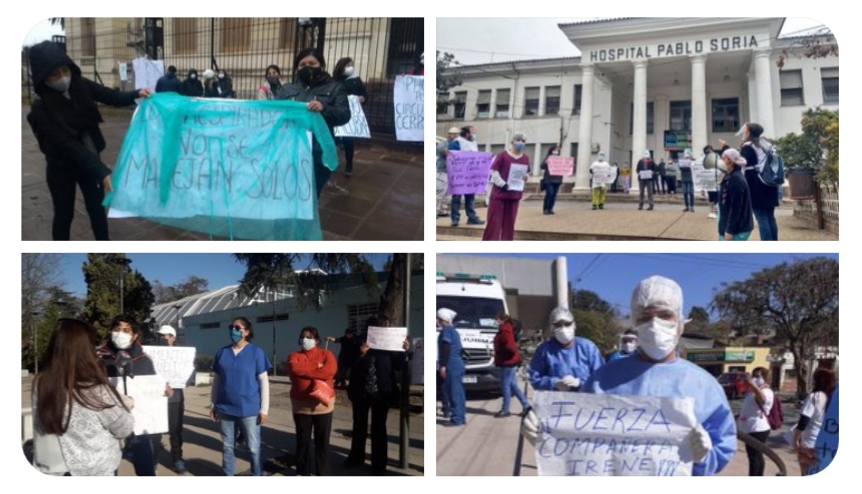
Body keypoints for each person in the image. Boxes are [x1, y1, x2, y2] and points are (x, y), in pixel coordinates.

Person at [582, 276, 737, 476]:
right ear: (634, 323)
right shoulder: (602, 380)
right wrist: (552, 439)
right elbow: (579, 439)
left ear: (680, 322)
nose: (655, 325)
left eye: (665, 315)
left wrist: (704, 458)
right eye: (645, 317)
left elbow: (722, 447)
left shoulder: (704, 386)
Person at [26, 40, 151, 241]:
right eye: (54, 75)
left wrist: (136, 94)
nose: (62, 78)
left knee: (96, 210)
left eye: (65, 71)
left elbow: (110, 96)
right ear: (43, 78)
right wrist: (101, 171)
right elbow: (68, 144)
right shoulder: (41, 109)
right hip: (61, 167)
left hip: (90, 164)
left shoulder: (80, 84)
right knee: (64, 214)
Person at [33, 319, 134, 476]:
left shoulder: (40, 382)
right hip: (93, 471)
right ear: (84, 349)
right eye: (92, 345)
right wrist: (125, 405)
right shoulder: (94, 389)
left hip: (50, 467)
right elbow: (123, 428)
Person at [97, 315, 173, 476]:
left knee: (145, 468)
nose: (120, 334)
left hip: (140, 424)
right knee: (109, 470)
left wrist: (166, 392)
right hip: (108, 426)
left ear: (135, 335)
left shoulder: (144, 360)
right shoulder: (99, 359)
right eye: (117, 330)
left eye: (126, 330)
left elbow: (155, 390)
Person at [277, 48, 351, 198]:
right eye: (302, 64)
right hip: (288, 151)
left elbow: (344, 115)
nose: (307, 67)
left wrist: (324, 109)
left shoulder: (335, 87)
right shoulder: (287, 89)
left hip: (318, 154)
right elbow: (272, 113)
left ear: (321, 65)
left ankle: (305, 221)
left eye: (312, 63)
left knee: (309, 197)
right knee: (286, 194)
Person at [345, 317, 410, 474]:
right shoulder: (358, 341)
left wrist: (404, 350)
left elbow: (398, 366)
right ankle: (356, 457)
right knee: (359, 426)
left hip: (382, 392)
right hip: (360, 391)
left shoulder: (391, 343)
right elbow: (347, 361)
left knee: (379, 428)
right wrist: (360, 354)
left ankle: (379, 463)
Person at [210, 317, 272, 476]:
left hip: (249, 410)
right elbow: (217, 381)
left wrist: (264, 410)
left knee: (253, 448)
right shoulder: (222, 353)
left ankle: (256, 474)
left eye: (237, 328)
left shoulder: (256, 353)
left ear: (247, 332)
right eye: (231, 327)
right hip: (225, 409)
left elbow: (264, 382)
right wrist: (213, 405)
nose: (233, 330)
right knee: (228, 447)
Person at [288, 327, 337, 476]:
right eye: (302, 337)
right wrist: (317, 368)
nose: (305, 340)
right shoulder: (294, 355)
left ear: (316, 340)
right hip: (301, 406)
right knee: (303, 442)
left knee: (322, 443)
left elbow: (330, 371)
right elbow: (294, 369)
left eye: (309, 337)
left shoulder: (326, 354)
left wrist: (305, 372)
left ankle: (322, 473)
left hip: (323, 406)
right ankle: (302, 473)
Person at [154, 325, 189, 474]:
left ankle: (177, 459)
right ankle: (152, 460)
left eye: (166, 336)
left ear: (173, 338)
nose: (162, 338)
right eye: (160, 336)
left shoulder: (181, 355)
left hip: (175, 398)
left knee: (175, 432)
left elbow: (188, 376)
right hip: (155, 398)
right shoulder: (151, 353)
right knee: (155, 433)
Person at [483, 132, 529, 241]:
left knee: (510, 222)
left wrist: (526, 177)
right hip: (500, 194)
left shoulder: (525, 158)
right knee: (494, 222)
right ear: (512, 142)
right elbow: (494, 171)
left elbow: (526, 172)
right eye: (518, 140)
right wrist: (502, 184)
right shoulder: (502, 155)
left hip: (514, 195)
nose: (520, 143)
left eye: (523, 141)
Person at [739, 123, 780, 241]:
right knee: (770, 216)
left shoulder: (747, 146)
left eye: (745, 130)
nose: (743, 132)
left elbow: (743, 163)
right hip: (769, 182)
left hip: (755, 184)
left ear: (748, 132)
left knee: (761, 217)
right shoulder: (766, 145)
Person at [793, 368, 836, 475]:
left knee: (806, 472)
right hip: (825, 443)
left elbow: (804, 421)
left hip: (809, 443)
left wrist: (795, 441)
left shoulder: (815, 397)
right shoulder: (832, 398)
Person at [333, 57, 369, 177]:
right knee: (334, 136)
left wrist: (361, 99)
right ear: (341, 66)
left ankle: (349, 164)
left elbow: (365, 95)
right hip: (337, 113)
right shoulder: (335, 81)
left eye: (351, 65)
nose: (350, 67)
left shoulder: (356, 80)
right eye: (348, 65)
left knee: (349, 140)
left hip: (351, 116)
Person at [738, 366, 774, 476]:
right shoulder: (754, 391)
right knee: (756, 456)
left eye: (757, 376)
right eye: (753, 376)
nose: (754, 378)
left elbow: (762, 399)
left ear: (764, 377)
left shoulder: (766, 391)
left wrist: (753, 385)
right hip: (751, 428)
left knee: (754, 457)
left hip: (758, 429)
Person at [493, 312, 530, 417]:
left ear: (502, 320)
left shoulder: (505, 331)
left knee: (505, 386)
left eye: (496, 319)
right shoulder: (506, 329)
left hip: (507, 362)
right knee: (513, 385)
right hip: (509, 361)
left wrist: (500, 352)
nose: (495, 322)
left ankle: (505, 409)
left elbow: (510, 347)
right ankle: (526, 406)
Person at [448, 126, 485, 227]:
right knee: (456, 197)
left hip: (471, 174)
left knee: (470, 197)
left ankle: (471, 217)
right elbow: (452, 156)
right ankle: (455, 219)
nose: (474, 133)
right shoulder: (456, 142)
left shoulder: (473, 143)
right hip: (459, 174)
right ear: (467, 133)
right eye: (473, 131)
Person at [436, 308, 466, 426]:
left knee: (453, 392)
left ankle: (456, 419)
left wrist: (443, 365)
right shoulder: (455, 331)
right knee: (459, 392)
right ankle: (461, 417)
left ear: (442, 319)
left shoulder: (446, 331)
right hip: (458, 363)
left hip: (451, 364)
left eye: (438, 319)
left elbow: (446, 348)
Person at [718, 148, 754, 241]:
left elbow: (736, 207)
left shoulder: (736, 179)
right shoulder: (730, 176)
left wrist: (729, 230)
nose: (721, 161)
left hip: (737, 230)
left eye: (723, 158)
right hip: (732, 227)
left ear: (731, 161)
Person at [437, 127, 460, 217]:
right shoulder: (444, 143)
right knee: (440, 192)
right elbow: (440, 149)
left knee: (446, 193)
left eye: (456, 134)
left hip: (451, 172)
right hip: (443, 171)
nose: (455, 136)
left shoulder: (458, 145)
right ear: (449, 134)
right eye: (453, 134)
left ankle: (442, 210)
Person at [539, 146, 564, 215]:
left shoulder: (560, 159)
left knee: (554, 195)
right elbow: (541, 166)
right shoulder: (548, 158)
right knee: (550, 193)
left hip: (557, 179)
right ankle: (546, 208)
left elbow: (564, 168)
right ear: (551, 150)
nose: (556, 151)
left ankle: (550, 208)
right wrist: (546, 162)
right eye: (555, 150)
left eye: (557, 150)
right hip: (549, 179)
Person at [703, 145, 721, 218]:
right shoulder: (704, 159)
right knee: (711, 197)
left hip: (716, 181)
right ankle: (712, 211)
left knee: (717, 196)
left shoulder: (717, 157)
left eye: (709, 151)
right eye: (707, 151)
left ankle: (718, 211)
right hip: (709, 181)